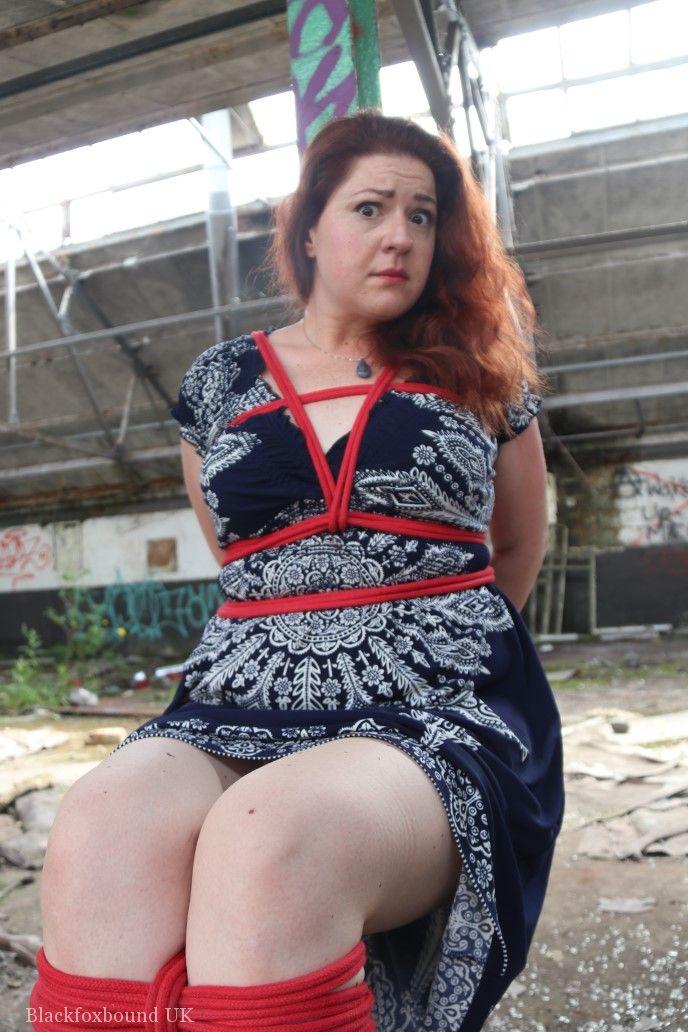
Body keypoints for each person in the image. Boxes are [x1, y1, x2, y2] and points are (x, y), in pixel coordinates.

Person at [29, 109, 565, 1031]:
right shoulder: (219, 383)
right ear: (308, 228)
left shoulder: (481, 372)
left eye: (423, 215)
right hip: (236, 697)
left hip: (433, 705)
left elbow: (517, 543)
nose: (401, 235)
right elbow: (238, 559)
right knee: (99, 828)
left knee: (272, 840)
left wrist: (435, 641)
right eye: (371, 208)